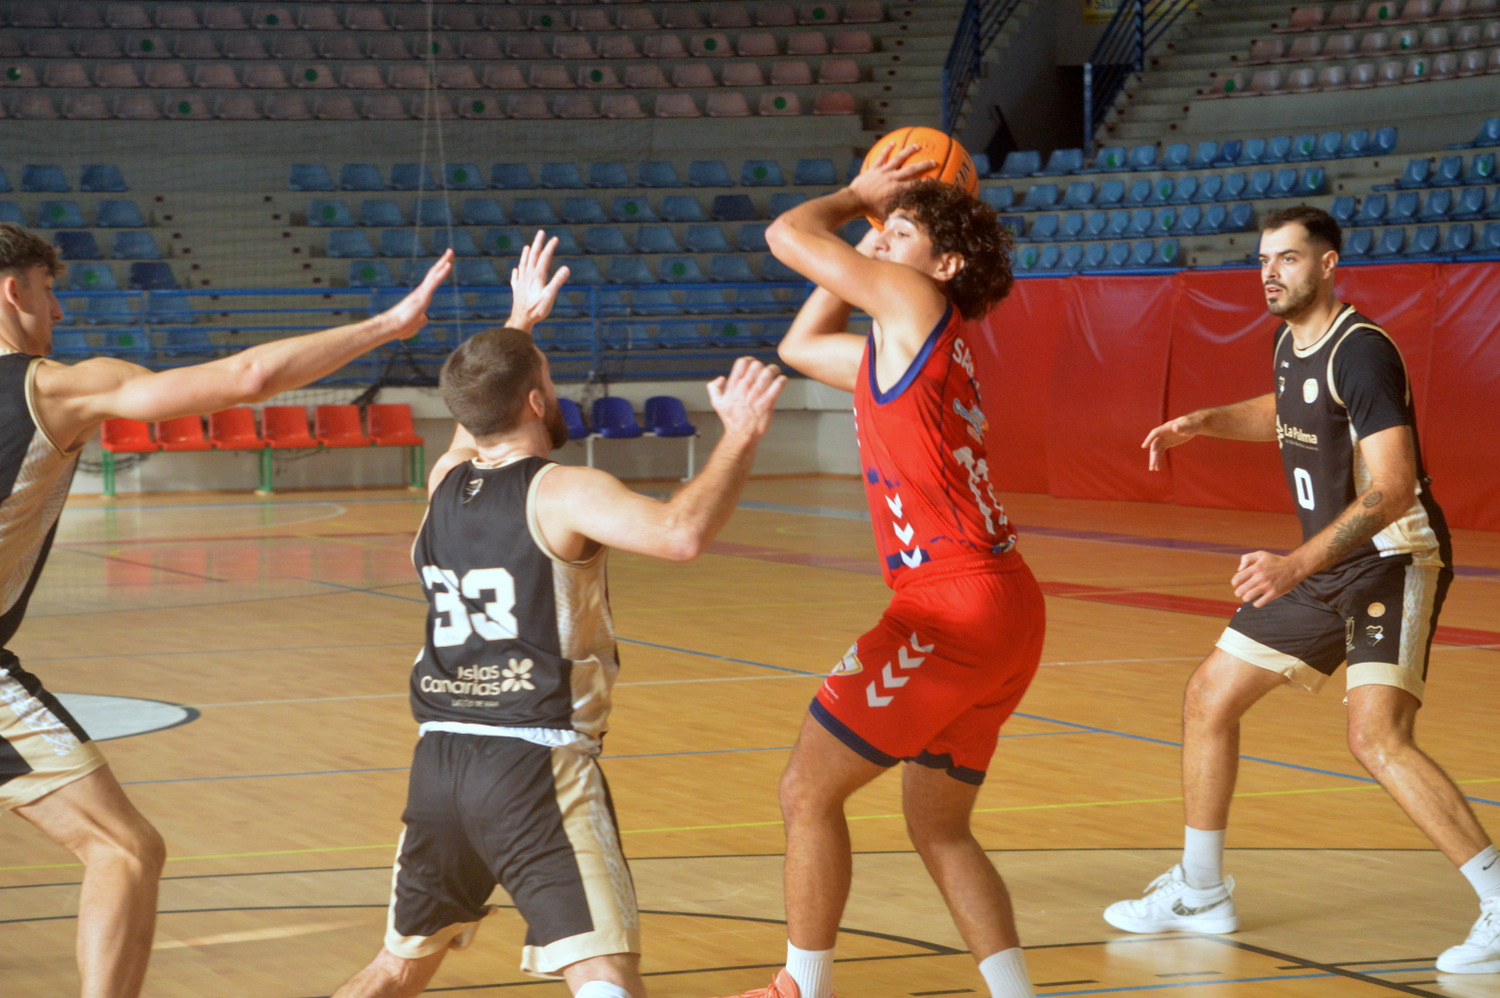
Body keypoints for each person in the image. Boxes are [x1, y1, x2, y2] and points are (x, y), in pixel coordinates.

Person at [0, 221, 453, 998]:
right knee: (125, 850)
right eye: (51, 291)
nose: (60, 313)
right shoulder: (52, 387)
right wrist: (388, 325)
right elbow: (244, 378)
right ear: (14, 290)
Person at [330, 232, 785, 998]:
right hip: (530, 762)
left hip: (439, 761)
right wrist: (740, 435)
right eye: (548, 379)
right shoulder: (561, 489)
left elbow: (476, 410)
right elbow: (680, 534)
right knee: (602, 974)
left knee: (398, 968)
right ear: (538, 402)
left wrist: (520, 322)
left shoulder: (443, 483)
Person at [1105, 205, 1499, 974]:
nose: (1269, 273)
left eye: (1287, 259)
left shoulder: (1364, 352)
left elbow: (1391, 488)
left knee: (1375, 736)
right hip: (1327, 565)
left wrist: (1292, 566)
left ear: (1327, 266)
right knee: (1208, 696)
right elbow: (1290, 414)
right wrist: (1207, 420)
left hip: (1392, 558)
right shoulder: (1291, 342)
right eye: (1262, 260)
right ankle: (1200, 889)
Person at [711, 148, 1046, 998]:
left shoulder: (915, 297)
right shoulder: (904, 342)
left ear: (946, 264)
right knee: (940, 831)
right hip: (1006, 605)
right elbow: (800, 344)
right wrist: (872, 230)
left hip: (950, 605)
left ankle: (801, 988)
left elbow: (787, 232)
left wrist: (855, 197)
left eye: (900, 233)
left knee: (806, 790)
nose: (878, 240)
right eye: (877, 233)